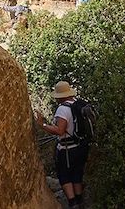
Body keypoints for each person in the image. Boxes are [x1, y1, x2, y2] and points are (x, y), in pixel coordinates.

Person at [35, 81, 90, 209]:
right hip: (80, 146)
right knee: (77, 173)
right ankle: (79, 200)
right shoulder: (78, 103)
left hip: (67, 149)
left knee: (65, 175)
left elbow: (60, 130)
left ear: (60, 96)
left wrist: (42, 125)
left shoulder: (63, 109)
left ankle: (72, 203)